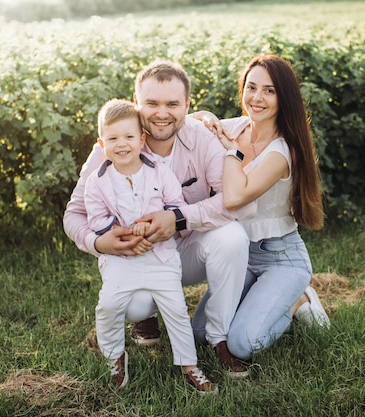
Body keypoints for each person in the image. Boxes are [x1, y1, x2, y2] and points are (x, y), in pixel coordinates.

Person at [63, 59, 254, 379]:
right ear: (136, 103)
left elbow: (232, 202)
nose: (162, 112)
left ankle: (219, 337)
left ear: (187, 105)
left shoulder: (202, 138)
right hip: (134, 254)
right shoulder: (113, 143)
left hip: (186, 248)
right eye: (151, 103)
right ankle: (145, 314)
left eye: (172, 104)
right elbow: (74, 213)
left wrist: (179, 218)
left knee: (232, 237)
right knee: (129, 306)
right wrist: (98, 241)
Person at [191, 54, 330, 362]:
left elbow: (234, 197)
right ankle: (259, 302)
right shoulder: (235, 127)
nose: (257, 97)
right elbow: (192, 123)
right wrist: (207, 117)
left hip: (281, 257)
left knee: (243, 344)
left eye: (269, 90)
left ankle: (298, 299)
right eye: (251, 87)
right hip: (241, 255)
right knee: (200, 334)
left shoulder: (282, 152)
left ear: (284, 98)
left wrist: (231, 151)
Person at [84, 98, 216, 393]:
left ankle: (189, 365)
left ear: (141, 139)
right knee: (108, 306)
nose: (122, 144)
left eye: (129, 137)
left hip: (161, 257)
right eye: (113, 138)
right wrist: (126, 235)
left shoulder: (157, 171)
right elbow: (96, 219)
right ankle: (114, 358)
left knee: (176, 310)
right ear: (101, 143)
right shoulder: (97, 181)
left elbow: (175, 205)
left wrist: (154, 224)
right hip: (121, 260)